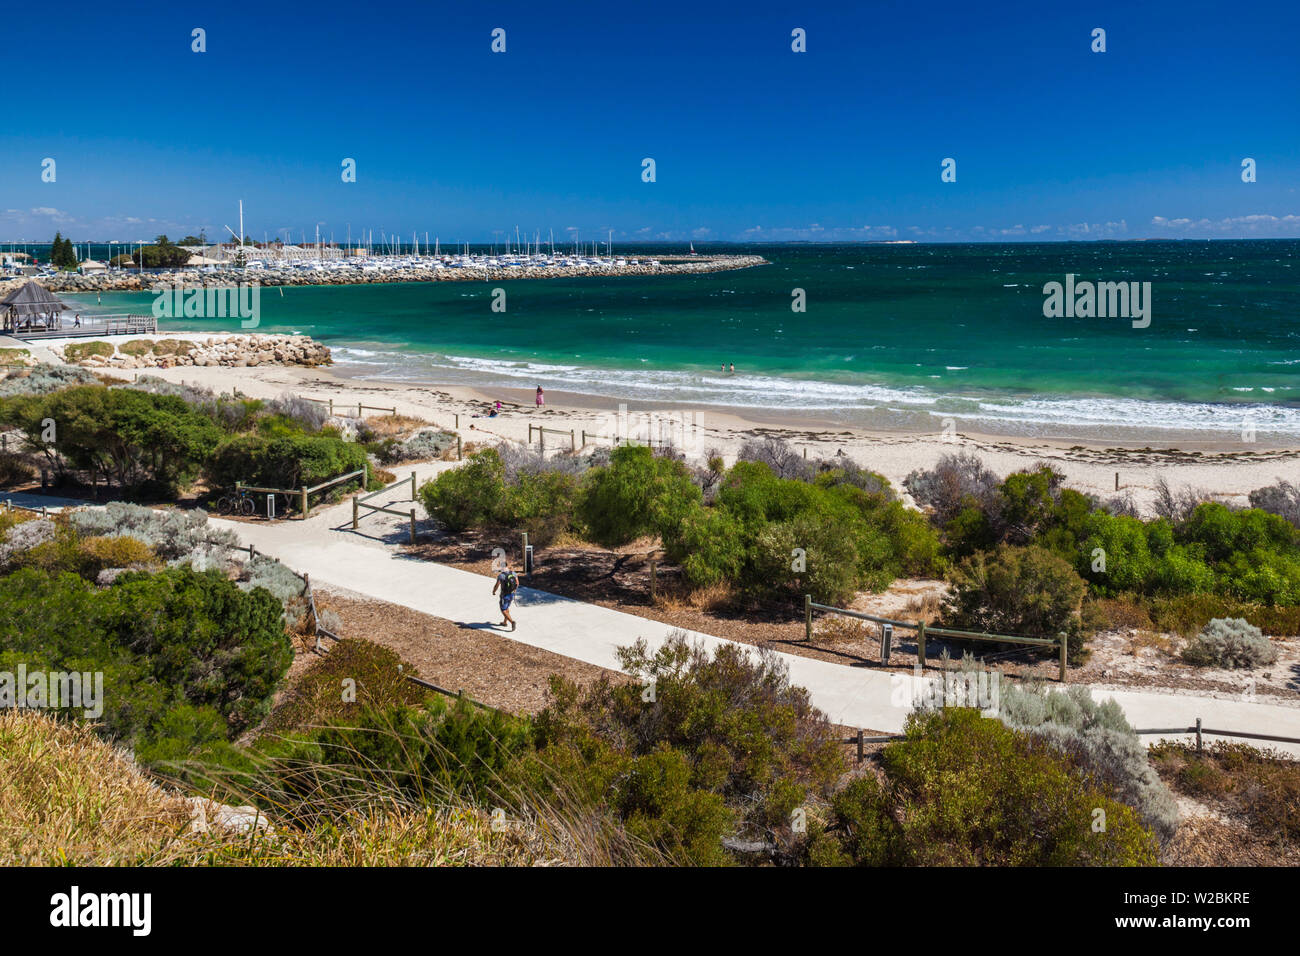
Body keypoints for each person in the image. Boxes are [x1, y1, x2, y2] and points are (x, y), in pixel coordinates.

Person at [492, 561, 519, 630]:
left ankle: (512, 622)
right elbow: (517, 583)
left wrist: (494, 591)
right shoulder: (513, 573)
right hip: (512, 594)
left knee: (503, 609)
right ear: (507, 566)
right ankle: (504, 622)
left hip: (504, 595)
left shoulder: (501, 575)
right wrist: (514, 590)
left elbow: (497, 585)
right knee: (506, 608)